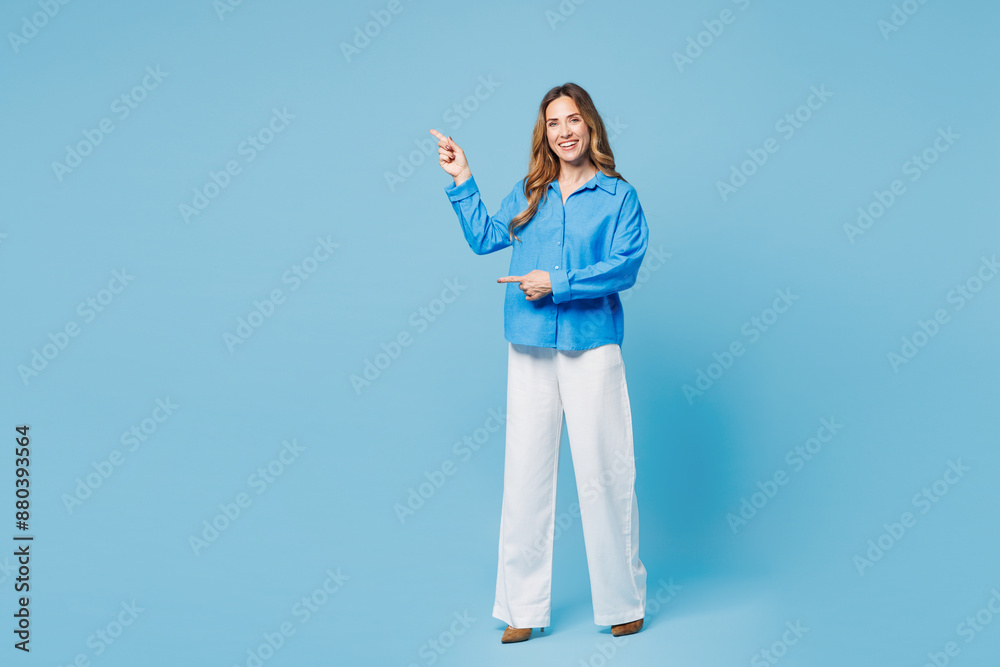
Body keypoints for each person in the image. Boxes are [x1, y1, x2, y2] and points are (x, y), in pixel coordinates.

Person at [429, 81, 648, 644]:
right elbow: (484, 238)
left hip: (592, 344)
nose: (565, 131)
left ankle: (623, 601)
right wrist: (462, 179)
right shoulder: (531, 192)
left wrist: (560, 283)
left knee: (605, 472)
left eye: (573, 120)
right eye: (554, 123)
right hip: (528, 344)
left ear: (590, 125)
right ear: (544, 134)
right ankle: (523, 607)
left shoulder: (618, 197)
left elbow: (625, 267)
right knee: (525, 473)